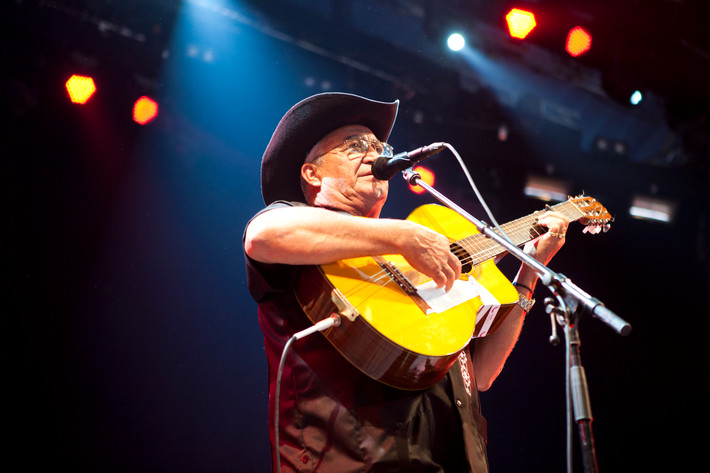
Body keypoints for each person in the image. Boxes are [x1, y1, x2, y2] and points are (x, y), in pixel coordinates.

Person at [243, 92, 569, 472]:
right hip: (352, 460)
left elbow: (480, 375)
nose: (375, 152)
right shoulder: (297, 223)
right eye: (354, 146)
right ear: (312, 174)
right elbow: (262, 235)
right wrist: (402, 235)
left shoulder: (413, 260)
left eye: (379, 145)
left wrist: (530, 269)